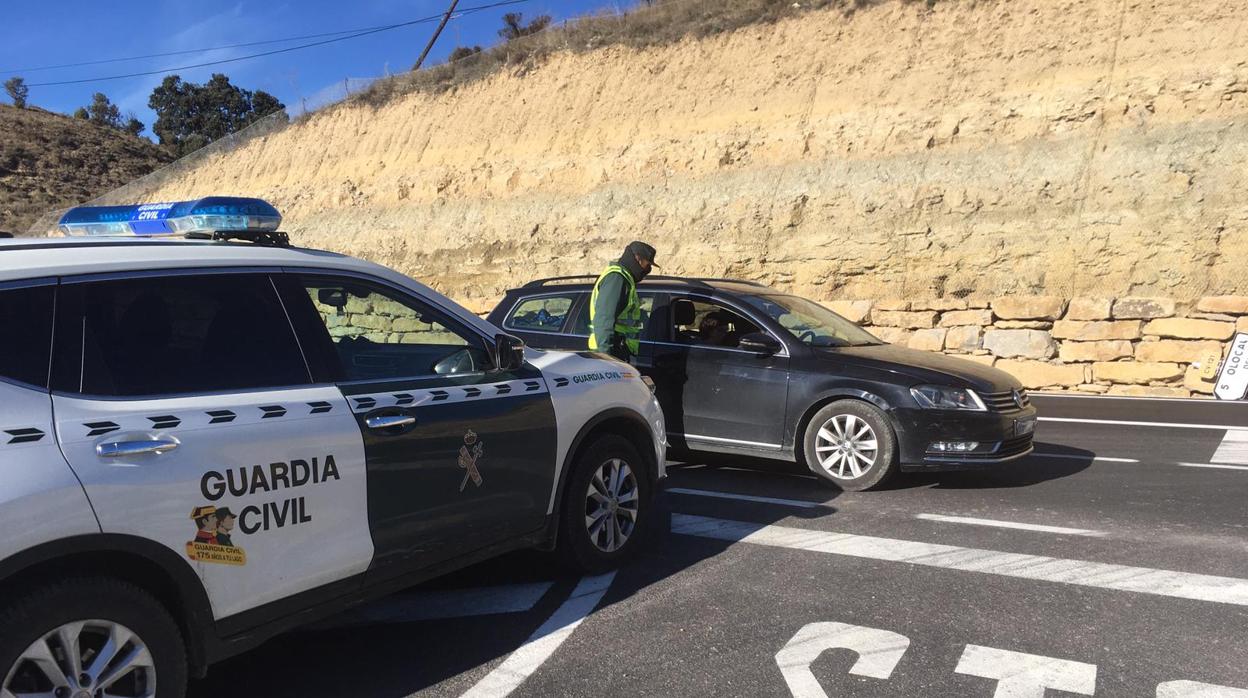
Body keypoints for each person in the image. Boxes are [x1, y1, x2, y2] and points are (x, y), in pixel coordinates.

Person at [588, 241, 658, 361]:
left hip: (618, 351)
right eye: (647, 265)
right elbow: (604, 320)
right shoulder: (617, 278)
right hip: (611, 353)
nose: (648, 269)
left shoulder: (624, 278)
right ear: (638, 259)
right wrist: (606, 359)